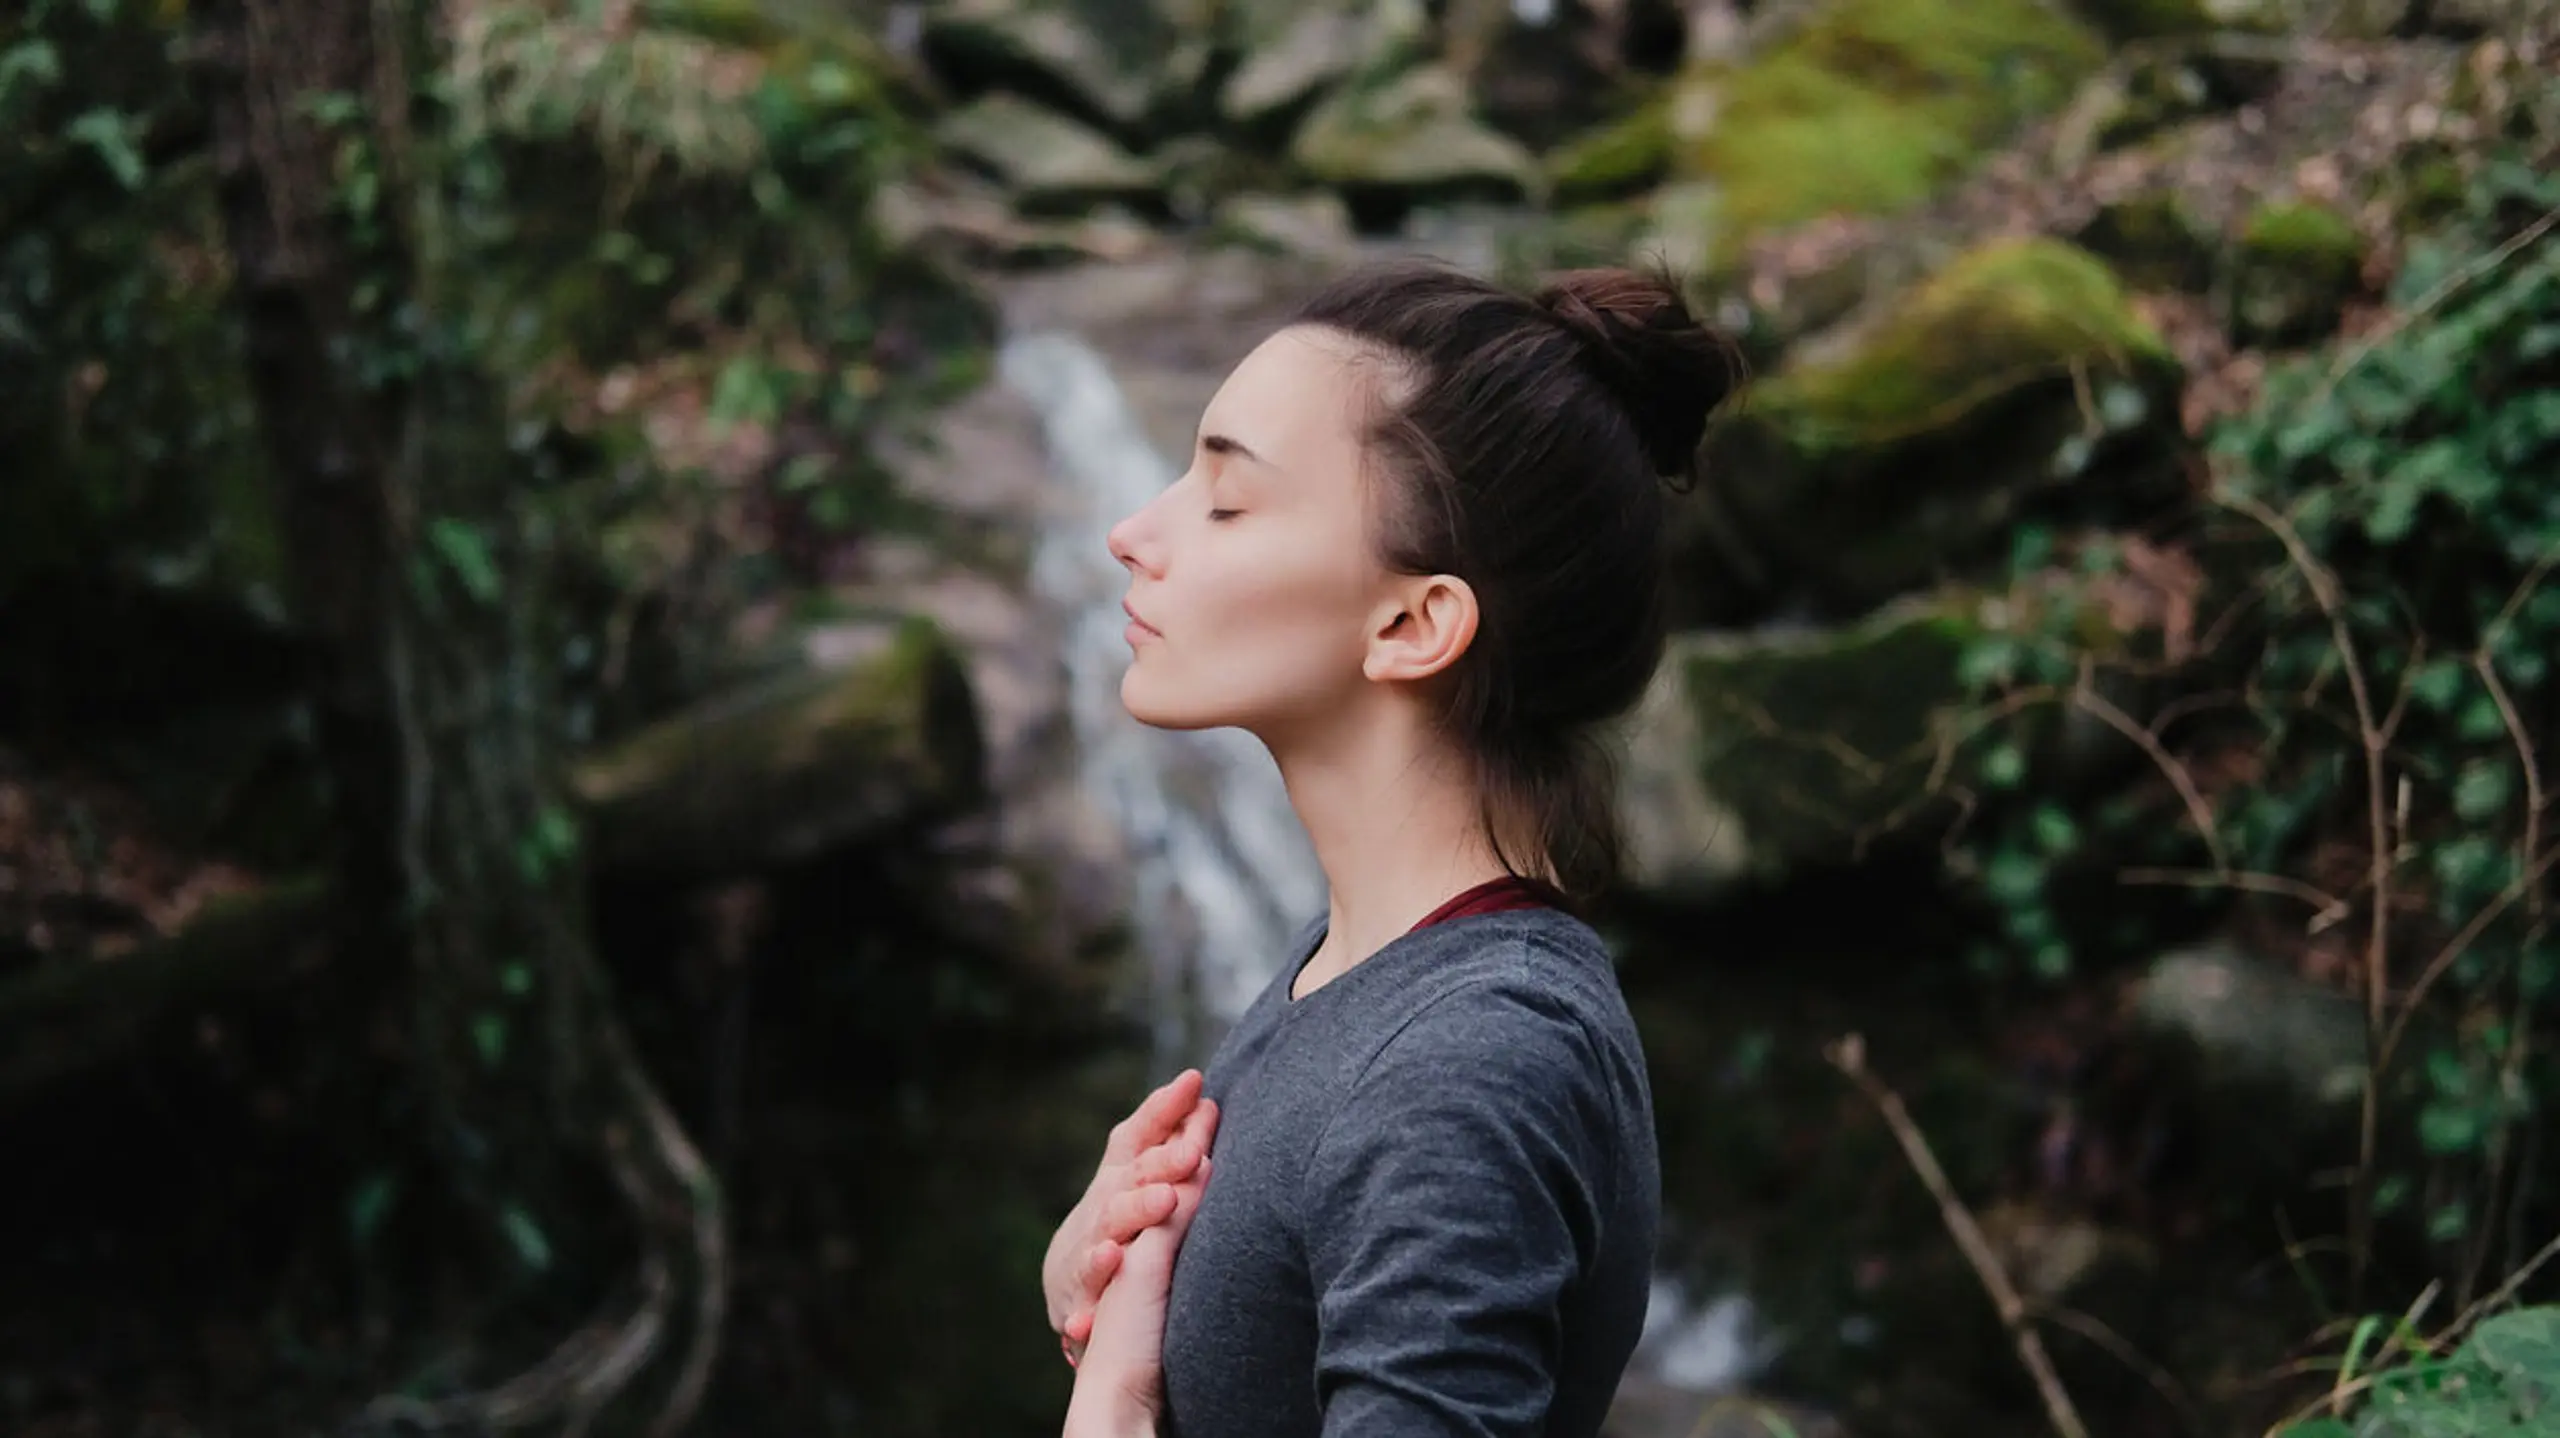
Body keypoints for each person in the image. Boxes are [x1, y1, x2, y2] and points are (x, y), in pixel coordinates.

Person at [1042, 258, 1741, 1438]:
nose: (1130, 533)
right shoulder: (1360, 969)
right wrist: (1109, 1301)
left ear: (1414, 624)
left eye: (1224, 500)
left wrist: (1112, 1410)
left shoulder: (1470, 1060)